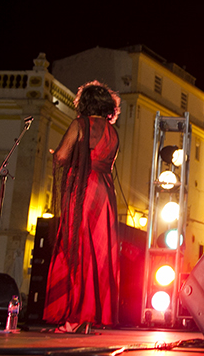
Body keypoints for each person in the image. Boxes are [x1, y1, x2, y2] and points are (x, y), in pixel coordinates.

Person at [43, 80, 121, 333]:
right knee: (98, 254)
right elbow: (105, 161)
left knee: (76, 248)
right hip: (105, 193)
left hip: (84, 190)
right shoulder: (113, 132)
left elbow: (62, 157)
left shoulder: (80, 125)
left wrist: (55, 153)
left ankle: (72, 319)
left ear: (84, 104)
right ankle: (88, 318)